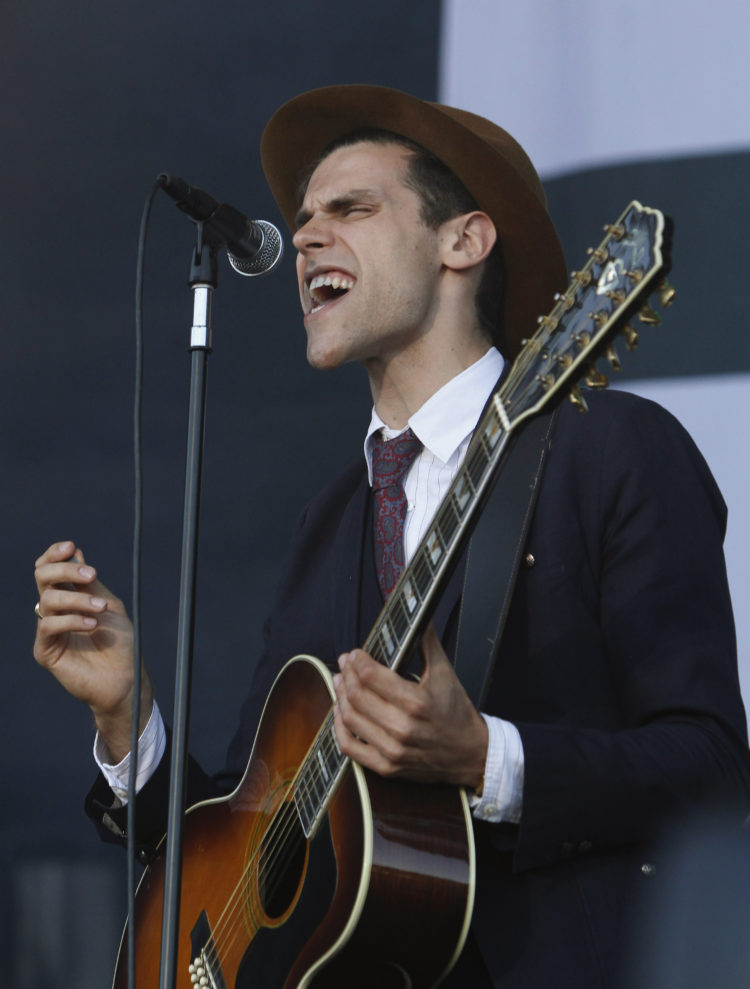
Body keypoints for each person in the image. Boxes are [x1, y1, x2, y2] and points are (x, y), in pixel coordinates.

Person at [33, 85, 750, 988]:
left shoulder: (607, 451)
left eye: (351, 209)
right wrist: (126, 713)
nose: (304, 238)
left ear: (464, 241)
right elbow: (253, 838)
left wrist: (489, 757)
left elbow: (714, 768)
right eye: (302, 219)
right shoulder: (328, 519)